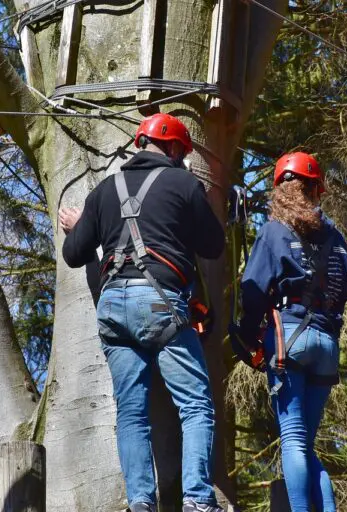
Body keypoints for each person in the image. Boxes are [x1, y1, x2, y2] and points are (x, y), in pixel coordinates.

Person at [59, 113, 226, 512]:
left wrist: (85, 225)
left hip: (113, 305)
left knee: (131, 412)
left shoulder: (104, 191)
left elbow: (74, 253)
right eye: (181, 153)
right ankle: (198, 500)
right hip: (159, 302)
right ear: (172, 148)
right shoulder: (184, 183)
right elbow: (214, 245)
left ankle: (140, 503)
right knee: (197, 406)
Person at [230, 152, 347, 512]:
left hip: (289, 339)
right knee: (305, 444)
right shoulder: (338, 240)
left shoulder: (274, 232)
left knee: (294, 441)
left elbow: (252, 288)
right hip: (326, 343)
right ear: (316, 189)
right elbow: (343, 288)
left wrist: (250, 336)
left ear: (281, 189)